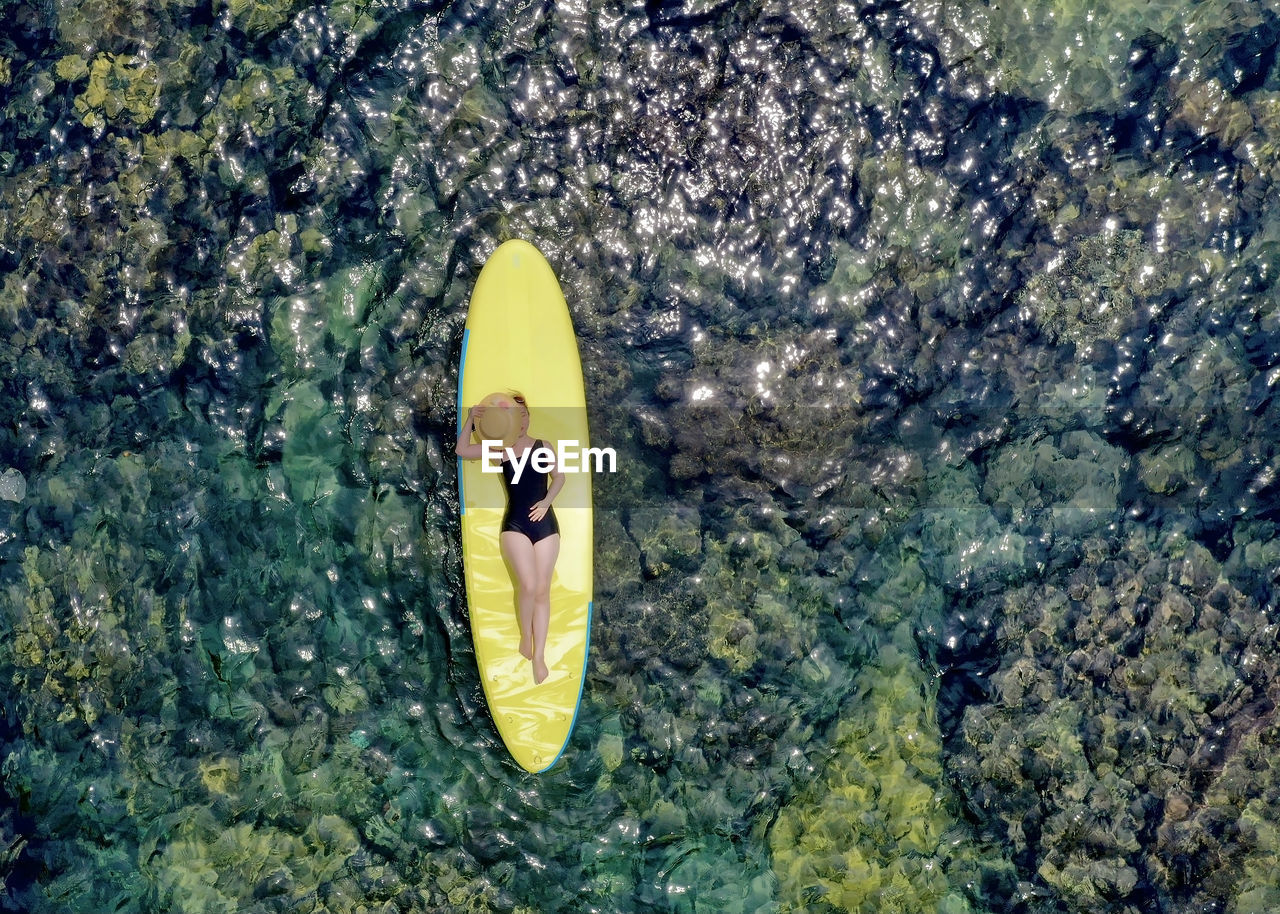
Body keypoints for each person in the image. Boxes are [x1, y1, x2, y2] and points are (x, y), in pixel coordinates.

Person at [456, 391, 564, 684]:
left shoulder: (544, 446)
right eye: (516, 417)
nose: (522, 421)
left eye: (525, 414)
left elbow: (559, 478)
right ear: (508, 421)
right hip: (515, 524)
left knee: (542, 589)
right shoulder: (499, 449)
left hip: (545, 524)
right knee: (528, 585)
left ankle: (539, 654)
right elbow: (462, 450)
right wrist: (470, 420)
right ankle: (524, 635)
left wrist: (546, 502)